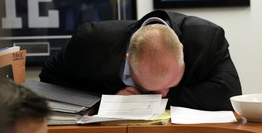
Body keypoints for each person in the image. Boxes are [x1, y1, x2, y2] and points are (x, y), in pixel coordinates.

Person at [39, 10, 242, 110]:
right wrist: (107, 102)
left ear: (182, 51)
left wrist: (144, 99)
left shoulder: (206, 39)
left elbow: (228, 94)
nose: (162, 93)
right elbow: (49, 80)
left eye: (170, 84)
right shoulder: (90, 41)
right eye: (150, 88)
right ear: (129, 59)